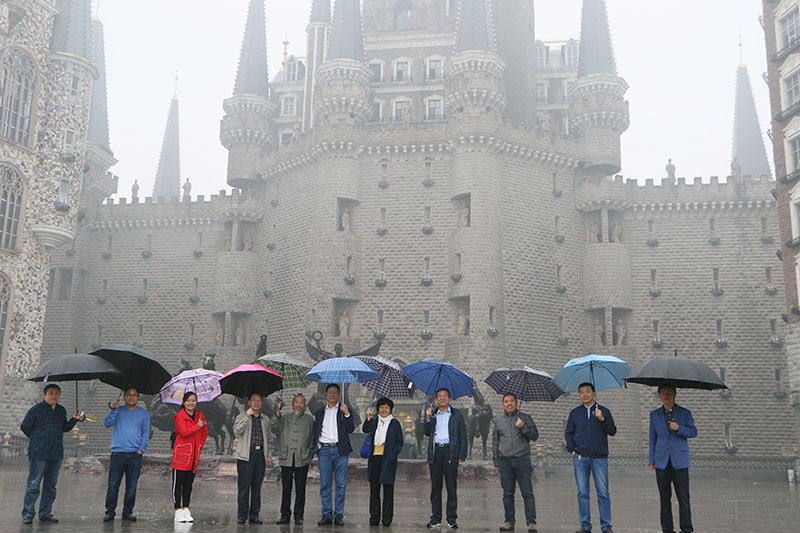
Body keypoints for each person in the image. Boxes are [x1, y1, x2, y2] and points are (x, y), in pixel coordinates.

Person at [19, 384, 79, 524]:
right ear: (44, 395)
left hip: (56, 453)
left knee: (50, 485)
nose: (54, 396)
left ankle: (45, 512)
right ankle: (28, 513)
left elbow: (64, 427)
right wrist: (36, 438)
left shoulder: (61, 410)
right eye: (51, 393)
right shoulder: (36, 410)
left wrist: (74, 419)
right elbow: (25, 426)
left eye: (57, 393)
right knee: (33, 484)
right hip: (39, 453)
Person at [565, 383, 617, 533]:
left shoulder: (603, 411)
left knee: (603, 492)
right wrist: (572, 450)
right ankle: (585, 525)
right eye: (581, 392)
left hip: (599, 458)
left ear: (594, 393)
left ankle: (606, 526)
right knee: (582, 492)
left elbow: (612, 431)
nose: (585, 395)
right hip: (580, 458)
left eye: (588, 391)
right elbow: (569, 433)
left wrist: (602, 419)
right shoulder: (575, 413)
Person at [649, 385, 697, 533]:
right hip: (661, 460)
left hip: (679, 460)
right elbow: (652, 438)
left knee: (683, 497)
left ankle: (686, 528)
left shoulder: (685, 413)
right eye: (664, 394)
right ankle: (667, 528)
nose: (667, 396)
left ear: (675, 395)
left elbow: (693, 432)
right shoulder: (655, 414)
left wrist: (679, 428)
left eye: (670, 393)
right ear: (660, 396)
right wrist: (652, 460)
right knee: (664, 498)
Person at [493, 393, 539, 532]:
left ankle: (531, 522)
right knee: (507, 494)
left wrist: (523, 427)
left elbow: (534, 436)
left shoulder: (525, 418)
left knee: (527, 493)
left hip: (522, 461)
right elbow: (495, 441)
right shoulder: (499, 420)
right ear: (503, 404)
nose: (509, 404)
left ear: (516, 403)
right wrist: (496, 461)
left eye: (511, 401)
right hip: (505, 462)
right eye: (506, 402)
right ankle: (509, 521)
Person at [103, 387, 150, 522]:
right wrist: (114, 410)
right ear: (124, 397)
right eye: (129, 395)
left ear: (138, 398)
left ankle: (127, 511)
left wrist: (141, 449)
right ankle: (110, 511)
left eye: (134, 395)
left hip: (135, 455)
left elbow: (145, 433)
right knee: (113, 485)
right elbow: (107, 423)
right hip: (118, 453)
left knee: (132, 485)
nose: (131, 397)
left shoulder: (143, 414)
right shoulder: (118, 411)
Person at [424, 388, 467, 529]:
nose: (442, 398)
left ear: (449, 398)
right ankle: (435, 518)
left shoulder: (457, 415)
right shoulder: (433, 414)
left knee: (451, 487)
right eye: (439, 396)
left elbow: (463, 436)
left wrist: (461, 455)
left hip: (450, 452)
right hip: (436, 452)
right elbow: (426, 432)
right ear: (436, 399)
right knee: (435, 488)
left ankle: (451, 518)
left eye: (445, 396)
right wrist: (427, 419)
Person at [313, 383, 355, 526]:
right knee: (325, 484)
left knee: (341, 484)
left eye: (335, 392)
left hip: (340, 451)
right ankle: (326, 514)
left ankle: (338, 515)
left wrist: (347, 413)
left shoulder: (343, 410)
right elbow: (316, 430)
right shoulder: (319, 412)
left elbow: (350, 429)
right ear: (326, 395)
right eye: (330, 392)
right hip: (324, 450)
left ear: (338, 395)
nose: (332, 395)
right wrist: (317, 447)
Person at [272, 394, 315, 525]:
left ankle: (299, 515)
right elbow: (275, 428)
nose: (299, 405)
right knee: (286, 488)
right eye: (296, 402)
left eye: (301, 403)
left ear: (305, 406)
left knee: (300, 489)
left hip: (302, 458)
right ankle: (285, 515)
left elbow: (312, 439)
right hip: (287, 457)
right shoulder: (284, 418)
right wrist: (277, 412)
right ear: (292, 404)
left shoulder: (309, 420)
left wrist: (309, 453)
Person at [362, 397, 404, 526]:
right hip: (375, 458)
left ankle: (387, 519)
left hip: (388, 460)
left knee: (388, 490)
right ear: (378, 409)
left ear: (390, 409)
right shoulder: (374, 422)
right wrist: (368, 417)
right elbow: (365, 429)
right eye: (381, 407)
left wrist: (393, 454)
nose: (384, 410)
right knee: (374, 490)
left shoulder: (395, 423)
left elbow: (399, 442)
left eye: (386, 407)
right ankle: (374, 517)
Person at [233, 392, 273, 524]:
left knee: (257, 486)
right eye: (254, 400)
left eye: (259, 401)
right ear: (249, 402)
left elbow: (269, 439)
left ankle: (254, 514)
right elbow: (237, 431)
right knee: (244, 487)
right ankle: (242, 514)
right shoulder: (241, 416)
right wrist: (247, 416)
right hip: (246, 455)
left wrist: (269, 455)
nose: (256, 403)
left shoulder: (265, 419)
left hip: (260, 455)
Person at [171, 391, 208, 523]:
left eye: (193, 400)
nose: (191, 403)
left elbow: (205, 432)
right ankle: (177, 510)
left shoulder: (200, 416)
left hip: (194, 456)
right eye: (188, 400)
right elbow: (184, 432)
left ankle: (186, 508)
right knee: (178, 485)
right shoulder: (180, 416)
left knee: (188, 485)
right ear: (183, 402)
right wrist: (197, 426)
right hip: (181, 456)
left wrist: (200, 445)